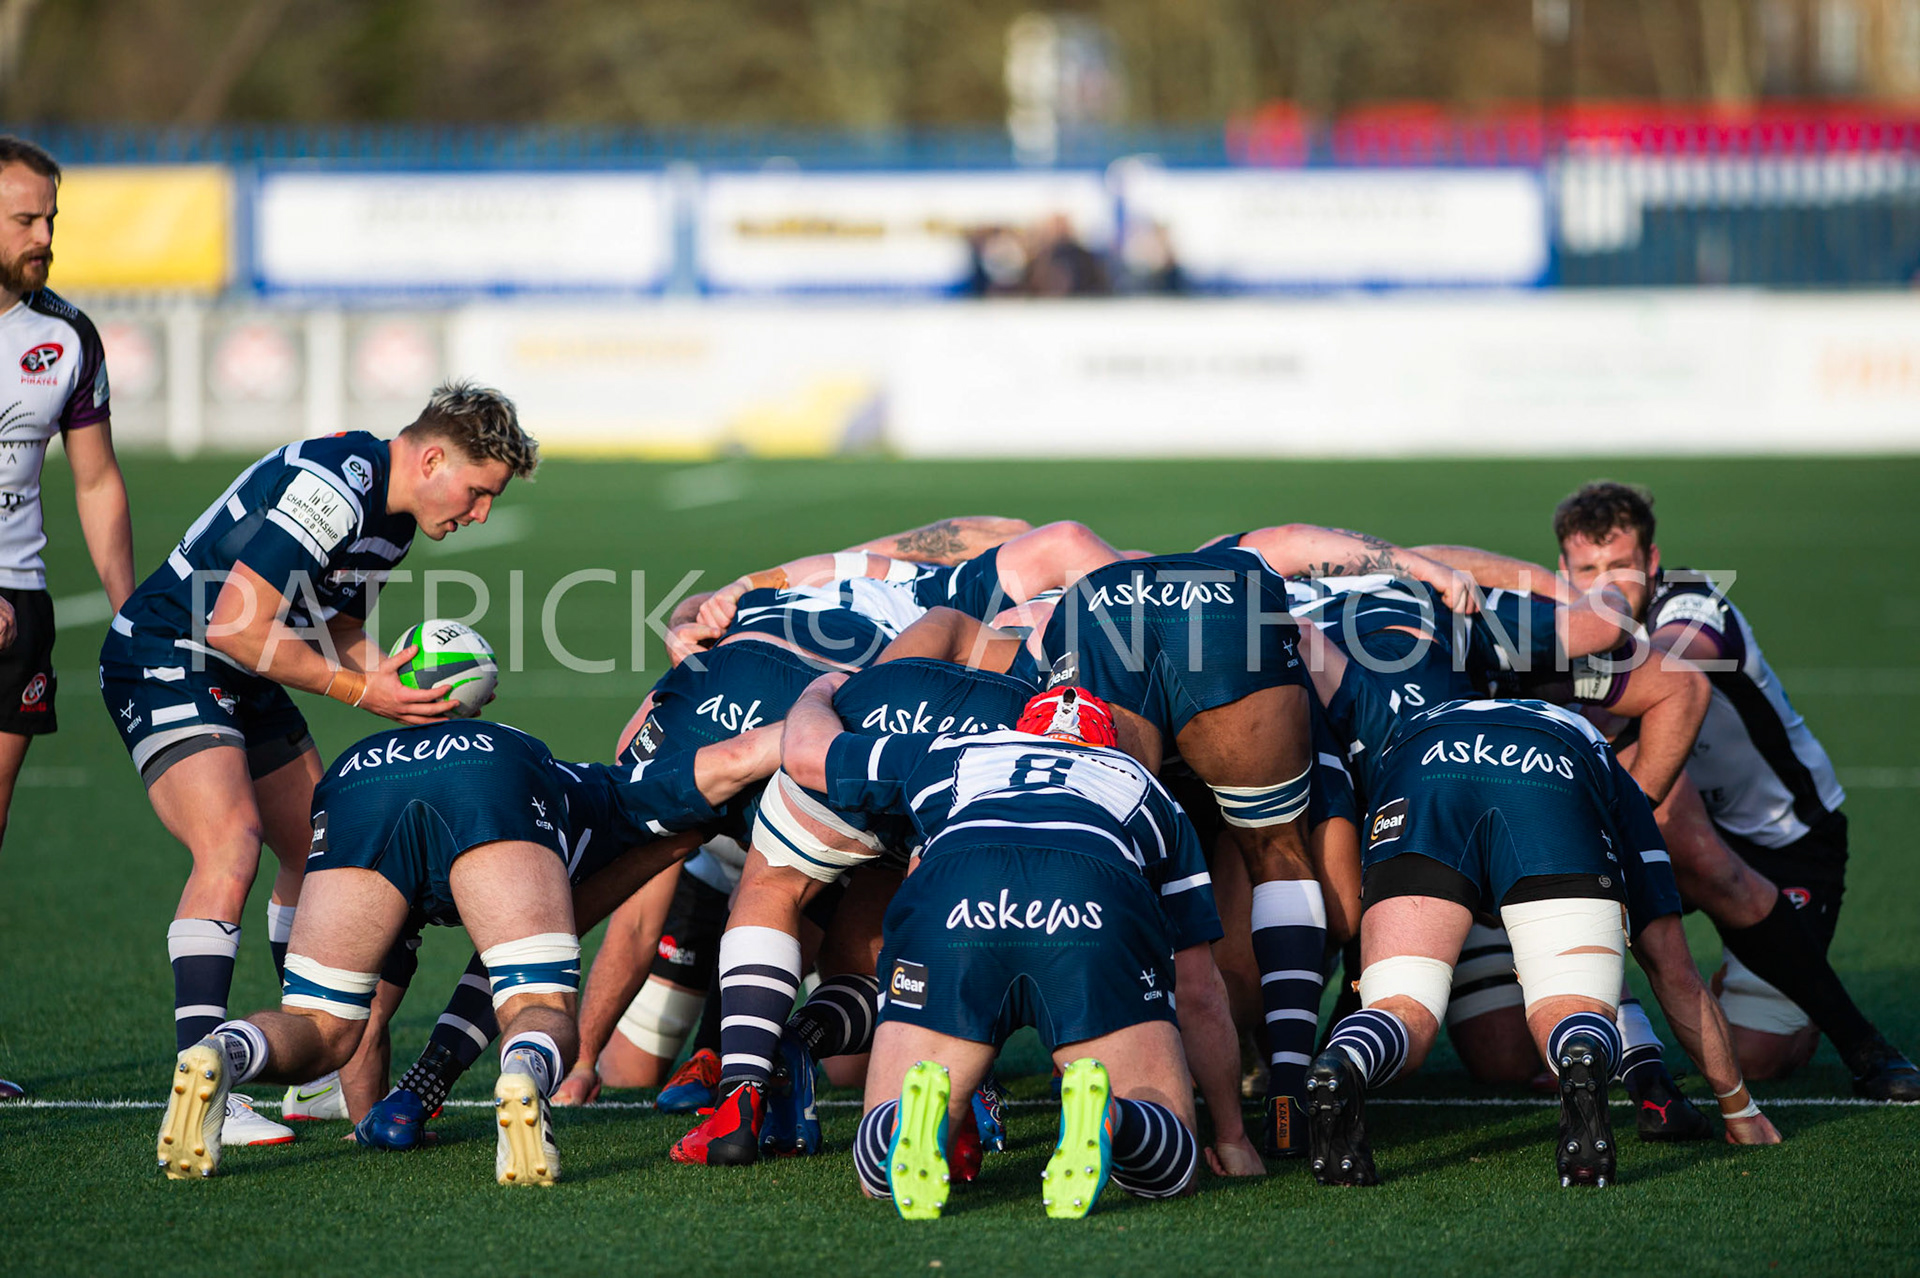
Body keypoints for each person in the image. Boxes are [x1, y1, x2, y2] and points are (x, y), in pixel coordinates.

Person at [104, 382, 535, 1143]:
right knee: (230, 842)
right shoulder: (337, 487)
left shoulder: (394, 519)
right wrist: (367, 694)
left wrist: (406, 687)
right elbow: (235, 623)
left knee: (321, 850)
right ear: (432, 458)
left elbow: (332, 626)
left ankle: (312, 1072)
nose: (480, 515)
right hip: (168, 653)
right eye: (476, 493)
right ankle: (206, 1087)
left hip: (251, 666)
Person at [1424, 483, 1920, 1098]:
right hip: (1665, 805)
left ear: (1653, 563)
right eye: (1588, 570)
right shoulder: (1567, 614)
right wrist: (1418, 572)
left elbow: (1663, 674)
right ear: (1563, 571)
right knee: (1503, 1061)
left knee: (1761, 1057)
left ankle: (1864, 1044)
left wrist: (1528, 659)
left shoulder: (1692, 607)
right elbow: (1431, 558)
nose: (1606, 585)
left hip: (1781, 839)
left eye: (1622, 568)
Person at [154, 717, 756, 1183]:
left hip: (357, 779)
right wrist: (813, 723)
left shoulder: (378, 757)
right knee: (535, 1005)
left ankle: (222, 1051)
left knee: (321, 1026)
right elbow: (728, 764)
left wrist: (381, 1120)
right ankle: (523, 1074)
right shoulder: (612, 794)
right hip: (492, 783)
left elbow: (376, 1011)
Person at [780, 680, 1259, 1218]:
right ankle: (1114, 1119)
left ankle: (913, 1122)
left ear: (1020, 730)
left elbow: (805, 755)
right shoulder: (1149, 791)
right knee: (1171, 1172)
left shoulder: (958, 750)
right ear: (1107, 749)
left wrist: (817, 692)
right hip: (1088, 887)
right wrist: (1234, 1134)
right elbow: (1197, 989)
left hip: (961, 889)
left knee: (880, 1177)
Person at [1305, 697, 1781, 1189]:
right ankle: (1580, 1049)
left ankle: (1349, 1060)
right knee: (1570, 1006)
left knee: (1402, 1003)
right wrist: (1739, 1109)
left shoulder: (1421, 717)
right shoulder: (1609, 766)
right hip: (1550, 776)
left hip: (1420, 759)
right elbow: (1674, 972)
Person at [669, 646, 1039, 1166]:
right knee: (959, 937)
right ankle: (967, 1086)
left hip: (873, 705)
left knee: (772, 887)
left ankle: (739, 1101)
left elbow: (945, 621)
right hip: (1006, 741)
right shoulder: (1069, 637)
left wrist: (823, 691)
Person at [0, 135, 135, 1101]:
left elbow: (94, 480)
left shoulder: (65, 335)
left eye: (51, 218)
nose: (45, 236)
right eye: (26, 220)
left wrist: (131, 613)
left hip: (20, 605)